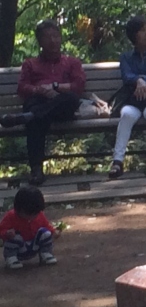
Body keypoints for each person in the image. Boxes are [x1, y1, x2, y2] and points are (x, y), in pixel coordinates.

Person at [3, 20, 85, 185]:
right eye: (47, 37)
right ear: (40, 41)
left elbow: (78, 86)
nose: (53, 41)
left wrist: (55, 87)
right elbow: (22, 88)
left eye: (55, 36)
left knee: (71, 99)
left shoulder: (72, 62)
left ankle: (27, 118)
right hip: (38, 101)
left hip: (61, 105)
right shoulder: (30, 64)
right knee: (37, 119)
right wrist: (38, 90)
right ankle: (37, 171)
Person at [108, 15, 146, 179]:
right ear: (134, 35)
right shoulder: (126, 57)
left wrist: (144, 81)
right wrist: (138, 80)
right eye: (143, 30)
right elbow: (127, 76)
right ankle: (117, 161)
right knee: (126, 114)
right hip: (134, 101)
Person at [1, 185, 57, 270]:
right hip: (18, 248)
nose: (30, 217)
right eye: (26, 214)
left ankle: (45, 253)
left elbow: (47, 227)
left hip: (34, 245)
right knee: (14, 237)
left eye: (34, 214)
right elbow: (1, 230)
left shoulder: (40, 216)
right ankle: (11, 258)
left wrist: (54, 232)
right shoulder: (11, 216)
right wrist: (6, 233)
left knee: (45, 233)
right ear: (18, 209)